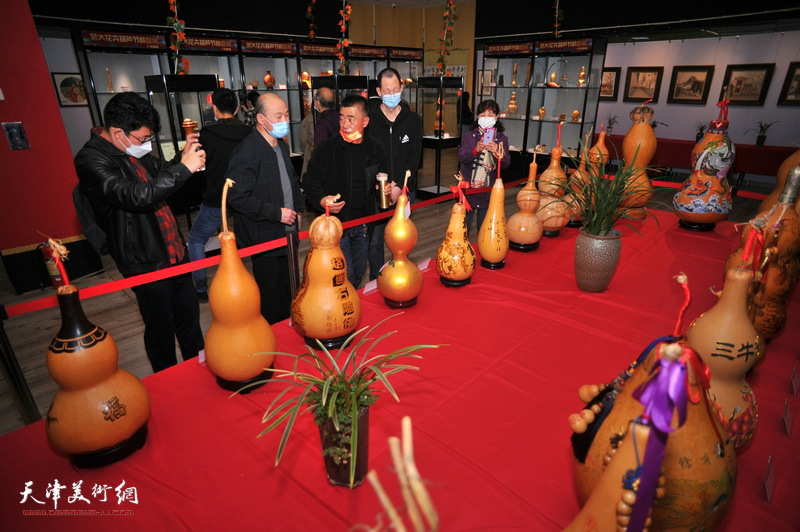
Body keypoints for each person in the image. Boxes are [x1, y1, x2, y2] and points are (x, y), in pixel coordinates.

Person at [74, 92, 206, 373]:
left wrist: (182, 159)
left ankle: (198, 373)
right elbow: (135, 196)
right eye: (143, 138)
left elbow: (163, 173)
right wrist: (183, 169)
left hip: (174, 251)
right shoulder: (90, 160)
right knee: (160, 329)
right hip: (144, 259)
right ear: (118, 132)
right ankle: (167, 383)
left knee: (189, 320)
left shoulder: (132, 149)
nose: (146, 145)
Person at [225, 93, 303, 324]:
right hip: (264, 235)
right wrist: (277, 213)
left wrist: (297, 210)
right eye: (278, 116)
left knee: (291, 287)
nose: (284, 120)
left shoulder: (281, 144)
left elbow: (292, 180)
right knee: (270, 294)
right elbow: (237, 196)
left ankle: (291, 329)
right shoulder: (247, 151)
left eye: (286, 115)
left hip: (288, 232)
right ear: (261, 119)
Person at [303, 94, 389, 288]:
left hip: (364, 224)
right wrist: (322, 200)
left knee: (358, 273)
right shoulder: (326, 148)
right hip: (336, 226)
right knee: (345, 276)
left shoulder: (376, 148)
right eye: (342, 117)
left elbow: (384, 178)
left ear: (365, 121)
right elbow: (309, 180)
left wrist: (386, 189)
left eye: (351, 118)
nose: (345, 123)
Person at [187, 88, 252, 301]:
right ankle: (244, 279)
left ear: (214, 108)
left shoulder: (206, 134)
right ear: (236, 108)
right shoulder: (249, 132)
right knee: (244, 237)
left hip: (216, 197)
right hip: (244, 196)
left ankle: (201, 288)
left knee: (196, 239)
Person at [366, 67, 421, 280]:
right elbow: (368, 157)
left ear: (401, 88)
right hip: (377, 191)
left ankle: (400, 279)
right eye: (386, 91)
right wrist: (382, 186)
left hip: (405, 189)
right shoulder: (369, 120)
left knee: (401, 239)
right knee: (375, 241)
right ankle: (378, 280)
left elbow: (414, 158)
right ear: (379, 91)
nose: (391, 95)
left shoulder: (413, 120)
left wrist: (399, 185)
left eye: (395, 89)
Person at [457, 99, 511, 236]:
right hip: (469, 190)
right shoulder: (470, 136)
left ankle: (484, 255)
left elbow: (506, 164)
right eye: (483, 115)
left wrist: (497, 153)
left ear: (497, 117)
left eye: (490, 115)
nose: (486, 118)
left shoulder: (501, 139)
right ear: (478, 117)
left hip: (488, 191)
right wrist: (475, 151)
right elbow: (462, 157)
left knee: (485, 230)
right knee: (463, 229)